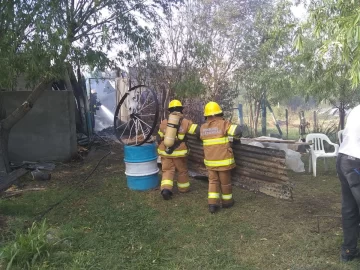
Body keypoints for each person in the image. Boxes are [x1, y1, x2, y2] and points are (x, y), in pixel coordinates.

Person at [196, 102, 242, 214]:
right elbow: (237, 131)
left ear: (206, 115)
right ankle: (227, 202)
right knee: (225, 183)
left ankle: (212, 204)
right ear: (219, 113)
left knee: (212, 182)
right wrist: (236, 138)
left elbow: (198, 135)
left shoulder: (203, 127)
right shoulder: (223, 124)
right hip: (223, 162)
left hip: (210, 163)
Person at [157, 100, 199, 200]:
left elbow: (159, 137)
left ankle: (166, 190)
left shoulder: (164, 122)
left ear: (170, 110)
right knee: (182, 171)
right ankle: (183, 189)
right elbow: (197, 131)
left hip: (166, 152)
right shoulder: (185, 122)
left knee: (167, 171)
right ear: (181, 110)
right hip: (179, 152)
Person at [336, 104, 360, 262]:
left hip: (344, 158)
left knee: (350, 208)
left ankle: (349, 251)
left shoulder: (357, 108)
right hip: (356, 162)